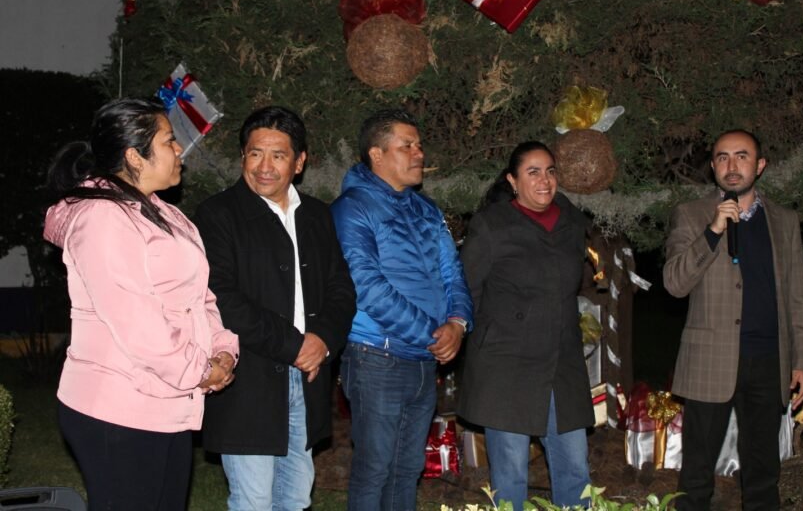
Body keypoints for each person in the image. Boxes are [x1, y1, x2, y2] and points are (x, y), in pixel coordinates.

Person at [43, 98, 239, 510]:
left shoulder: (168, 215)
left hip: (167, 401)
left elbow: (200, 297)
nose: (179, 151)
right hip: (118, 407)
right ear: (135, 156)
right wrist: (199, 371)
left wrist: (223, 350)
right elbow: (136, 322)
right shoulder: (101, 219)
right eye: (169, 141)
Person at [193, 106, 356, 511]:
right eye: (254, 153)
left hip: (308, 378)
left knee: (296, 497)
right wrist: (294, 345)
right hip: (248, 379)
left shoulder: (317, 215)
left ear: (299, 162)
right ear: (243, 156)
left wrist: (323, 341)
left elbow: (341, 289)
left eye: (278, 156)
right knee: (253, 500)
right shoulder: (218, 214)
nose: (264, 167)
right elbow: (222, 297)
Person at [330, 109, 474, 511]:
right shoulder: (352, 209)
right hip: (377, 357)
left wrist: (458, 323)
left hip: (422, 362)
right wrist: (435, 334)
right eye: (406, 145)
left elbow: (452, 272)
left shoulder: (425, 209)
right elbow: (366, 287)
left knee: (407, 469)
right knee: (374, 470)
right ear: (376, 154)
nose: (418, 153)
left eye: (419, 145)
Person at [663, 129, 803, 510]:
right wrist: (713, 232)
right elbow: (675, 283)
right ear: (713, 166)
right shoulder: (692, 214)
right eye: (723, 157)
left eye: (742, 156)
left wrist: (801, 360)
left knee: (763, 475)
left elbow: (797, 295)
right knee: (696, 476)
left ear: (759, 165)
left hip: (768, 361)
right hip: (710, 362)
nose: (732, 165)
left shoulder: (784, 220)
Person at [458, 141, 595, 510]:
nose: (545, 180)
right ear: (513, 181)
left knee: (574, 468)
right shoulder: (492, 225)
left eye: (550, 171)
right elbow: (467, 290)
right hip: (507, 364)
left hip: (561, 362)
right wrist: (493, 333)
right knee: (511, 473)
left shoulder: (571, 221)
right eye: (533, 172)